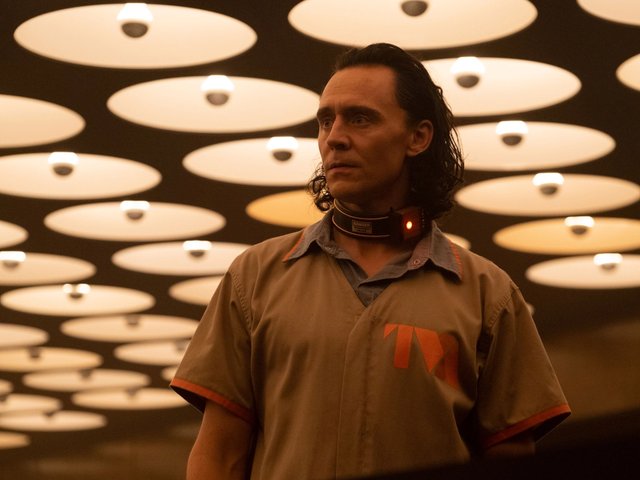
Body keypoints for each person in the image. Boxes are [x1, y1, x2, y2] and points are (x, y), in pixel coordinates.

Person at [171, 43, 570, 480]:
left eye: (360, 118)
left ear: (418, 137)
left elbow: (512, 461)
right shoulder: (255, 277)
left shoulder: (487, 295)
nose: (335, 137)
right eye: (326, 120)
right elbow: (218, 455)